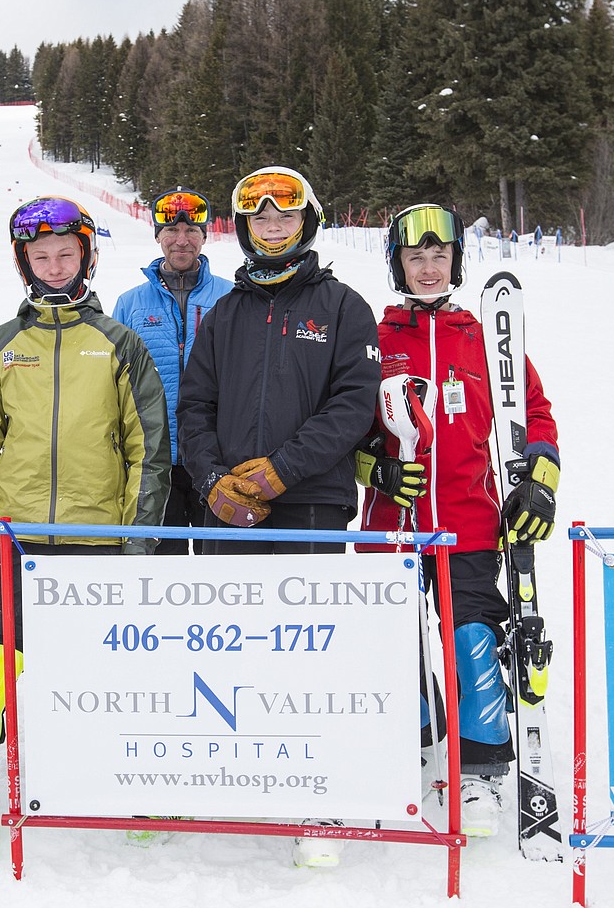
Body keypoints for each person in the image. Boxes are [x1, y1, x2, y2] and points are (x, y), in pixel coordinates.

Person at [0, 195, 171, 860]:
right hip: (17, 541)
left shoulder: (119, 343)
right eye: (40, 257)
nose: (53, 266)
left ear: (87, 257)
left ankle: (129, 782)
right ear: (24, 265)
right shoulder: (0, 347)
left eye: (65, 254)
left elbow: (147, 449)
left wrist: (138, 539)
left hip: (96, 540)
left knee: (108, 668)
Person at [176, 166, 381, 867]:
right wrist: (211, 481)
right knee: (239, 644)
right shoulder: (224, 315)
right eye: (258, 218)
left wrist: (283, 468)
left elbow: (354, 403)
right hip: (233, 511)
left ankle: (318, 790)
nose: (271, 226)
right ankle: (245, 768)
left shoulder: (344, 306)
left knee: (309, 648)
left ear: (307, 223)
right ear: (244, 229)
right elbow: (194, 408)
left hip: (311, 505)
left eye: (284, 217)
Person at [355, 202, 560, 838]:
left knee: (472, 642)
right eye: (414, 256)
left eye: (438, 255)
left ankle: (480, 771)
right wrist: (376, 470)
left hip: (471, 522)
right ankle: (414, 741)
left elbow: (536, 413)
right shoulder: (378, 340)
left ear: (455, 261)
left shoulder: (485, 338)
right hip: (393, 524)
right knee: (394, 644)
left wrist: (541, 482)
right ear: (397, 264)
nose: (427, 267)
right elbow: (349, 428)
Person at [112, 188, 234, 554]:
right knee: (164, 565)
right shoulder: (131, 304)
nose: (181, 241)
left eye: (192, 232)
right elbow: (114, 381)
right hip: (156, 458)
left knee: (223, 564)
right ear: (157, 236)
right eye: (171, 232)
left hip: (218, 454)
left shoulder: (230, 298)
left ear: (205, 235)